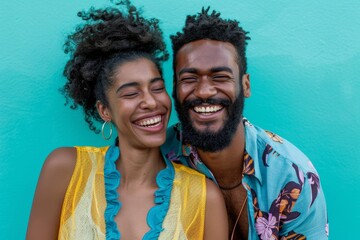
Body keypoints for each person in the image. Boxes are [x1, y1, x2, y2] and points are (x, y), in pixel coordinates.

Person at [26, 3, 228, 240]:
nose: (151, 102)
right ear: (104, 110)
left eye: (157, 88)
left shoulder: (204, 197)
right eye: (131, 93)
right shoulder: (66, 170)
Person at [165, 7, 329, 240]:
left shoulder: (294, 177)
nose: (203, 91)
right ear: (175, 88)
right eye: (189, 79)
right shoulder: (157, 159)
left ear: (246, 85)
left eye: (220, 77)